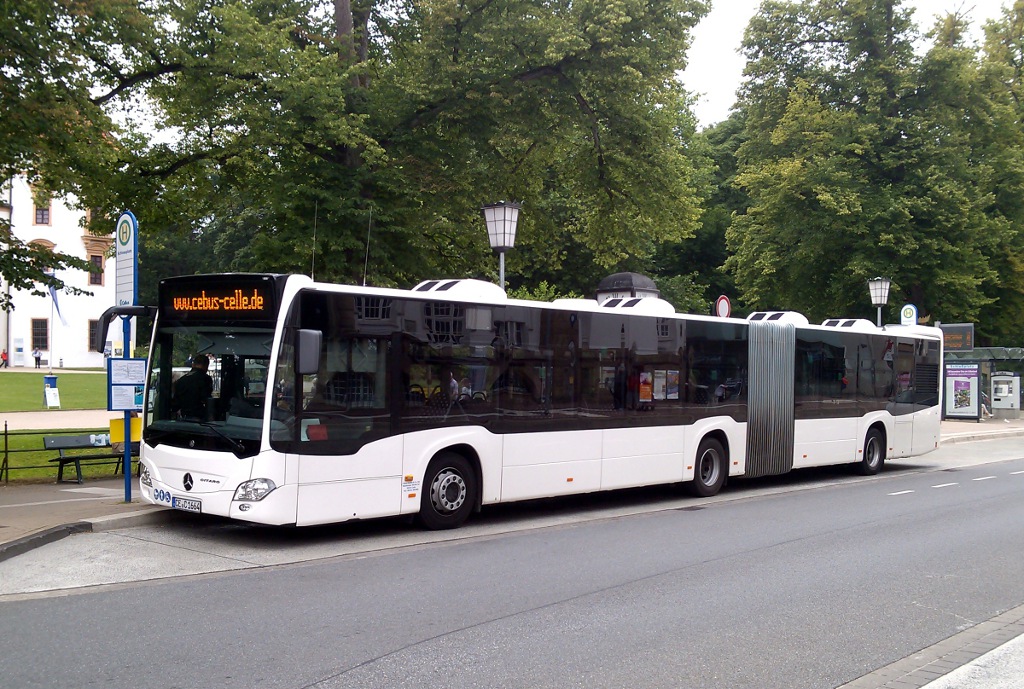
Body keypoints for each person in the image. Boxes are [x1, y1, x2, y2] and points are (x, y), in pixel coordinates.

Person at [172, 354, 214, 420]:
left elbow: (175, 402)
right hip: (199, 418)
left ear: (193, 364)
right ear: (206, 365)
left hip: (182, 418)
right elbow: (206, 399)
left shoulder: (181, 380)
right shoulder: (205, 378)